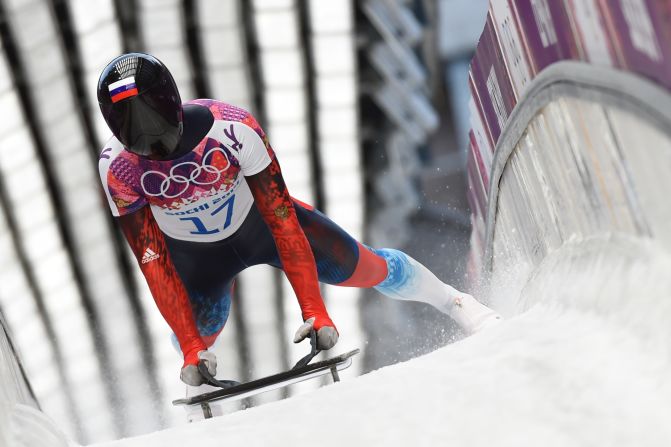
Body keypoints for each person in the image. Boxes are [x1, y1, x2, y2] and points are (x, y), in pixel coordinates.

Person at [97, 53, 501, 395]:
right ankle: (193, 368)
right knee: (201, 334)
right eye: (133, 129)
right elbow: (152, 259)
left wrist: (315, 309)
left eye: (153, 121)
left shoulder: (233, 128)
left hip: (261, 227)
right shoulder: (116, 168)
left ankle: (456, 302)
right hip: (196, 259)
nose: (149, 139)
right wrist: (189, 345)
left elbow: (281, 218)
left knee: (365, 267)